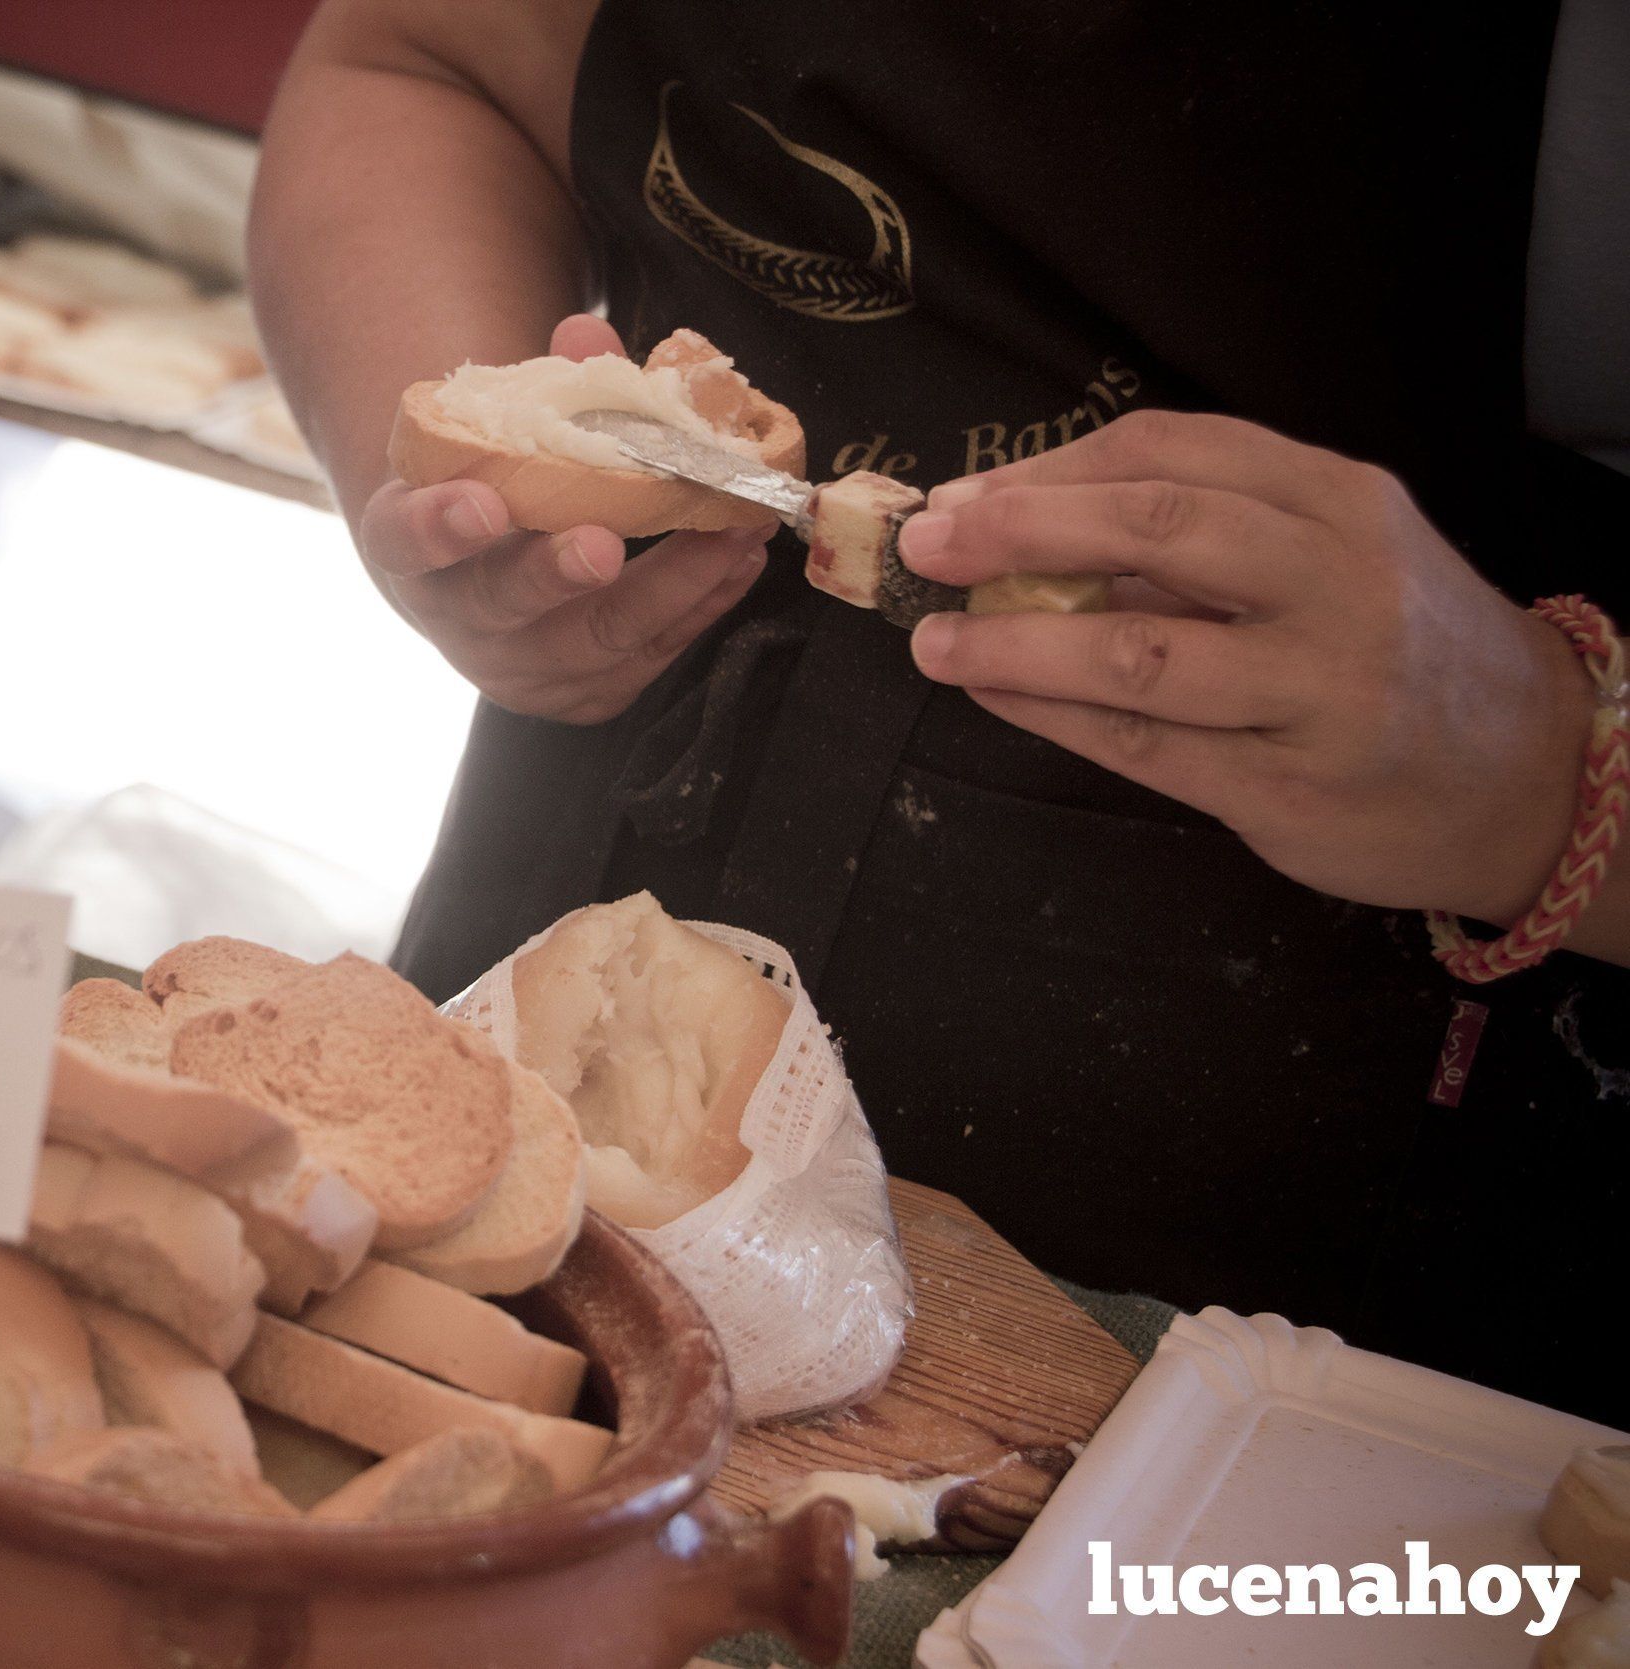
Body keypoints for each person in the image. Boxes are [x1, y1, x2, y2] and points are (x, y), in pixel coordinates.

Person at [249, 0, 1628, 1424]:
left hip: (1323, 1236)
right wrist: (459, 479)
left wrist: (1555, 779)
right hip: (571, 895)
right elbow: (418, 61)